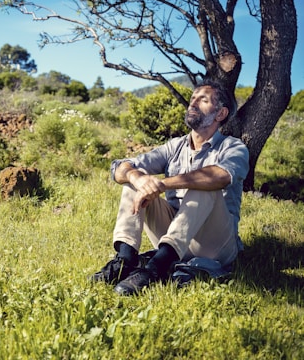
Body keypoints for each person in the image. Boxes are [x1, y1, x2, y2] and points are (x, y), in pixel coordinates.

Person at [90, 79, 249, 296]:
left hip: (214, 244)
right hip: (171, 235)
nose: (192, 104)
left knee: (204, 185)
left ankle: (155, 269)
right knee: (135, 182)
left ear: (220, 114)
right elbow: (120, 167)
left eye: (202, 101)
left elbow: (220, 176)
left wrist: (162, 184)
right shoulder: (175, 146)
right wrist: (137, 178)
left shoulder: (234, 147)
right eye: (192, 99)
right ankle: (125, 261)